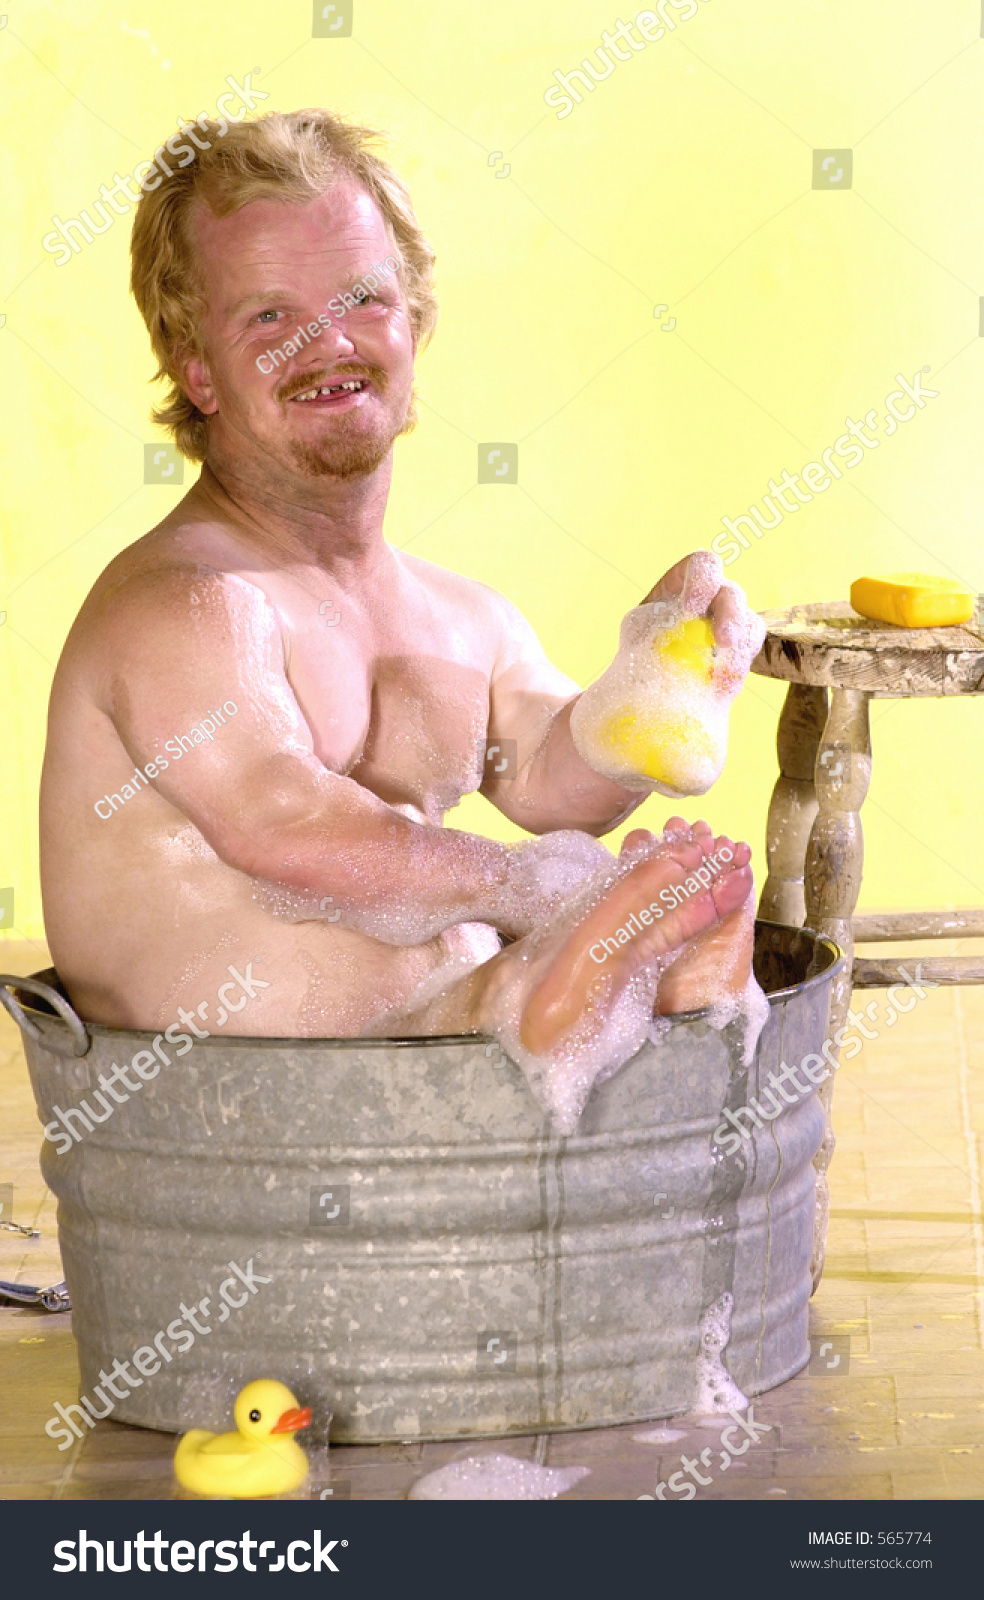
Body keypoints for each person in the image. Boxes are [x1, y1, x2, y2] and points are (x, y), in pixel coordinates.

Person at [39, 110, 763, 1112]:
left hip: (443, 1079)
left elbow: (551, 776)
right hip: (239, 1119)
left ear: (414, 320)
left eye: (361, 299)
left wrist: (654, 692)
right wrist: (533, 890)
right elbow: (285, 821)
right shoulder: (186, 609)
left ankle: (628, 977)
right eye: (267, 317)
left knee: (554, 968)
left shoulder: (461, 617)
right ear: (195, 365)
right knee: (518, 964)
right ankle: (553, 980)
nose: (325, 340)